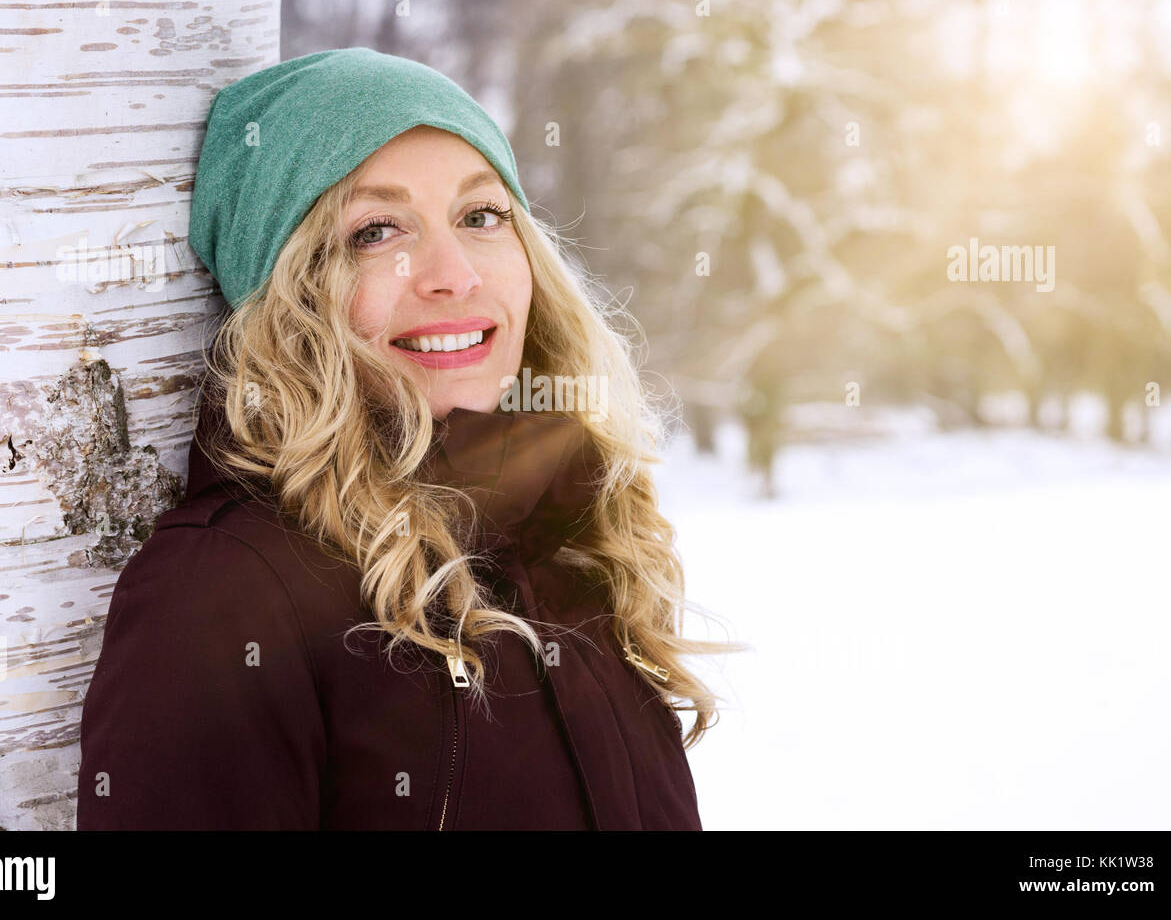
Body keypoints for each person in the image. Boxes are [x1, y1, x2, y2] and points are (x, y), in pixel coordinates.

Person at [76, 47, 740, 830]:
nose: (453, 273)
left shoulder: (570, 538)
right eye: (376, 231)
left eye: (481, 216)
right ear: (288, 295)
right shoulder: (225, 593)